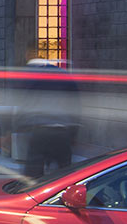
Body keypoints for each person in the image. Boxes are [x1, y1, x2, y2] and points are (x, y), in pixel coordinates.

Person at [15, 46, 82, 179]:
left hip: (39, 130)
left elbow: (22, 104)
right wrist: (74, 133)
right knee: (64, 173)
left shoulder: (29, 75)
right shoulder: (63, 74)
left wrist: (15, 128)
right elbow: (76, 105)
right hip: (62, 130)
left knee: (33, 173)